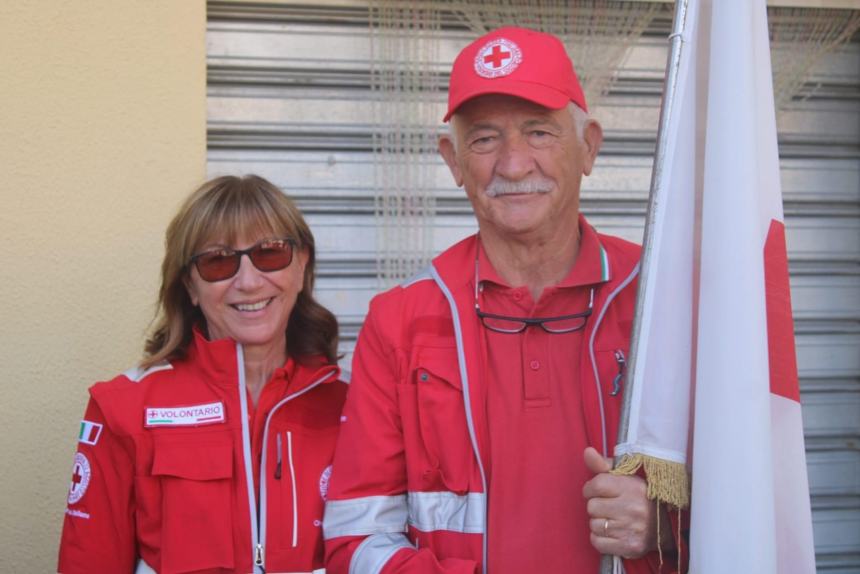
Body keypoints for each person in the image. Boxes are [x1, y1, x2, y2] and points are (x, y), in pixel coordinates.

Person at [323, 27, 684, 574]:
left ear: (588, 148)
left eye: (540, 133)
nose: (514, 165)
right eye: (485, 139)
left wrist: (665, 524)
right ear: (453, 161)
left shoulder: (666, 299)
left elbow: (757, 495)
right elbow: (355, 537)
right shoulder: (400, 320)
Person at [58, 175, 346, 574]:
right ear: (189, 287)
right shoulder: (122, 407)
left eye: (270, 253)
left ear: (301, 264)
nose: (248, 282)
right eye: (218, 261)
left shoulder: (351, 408)